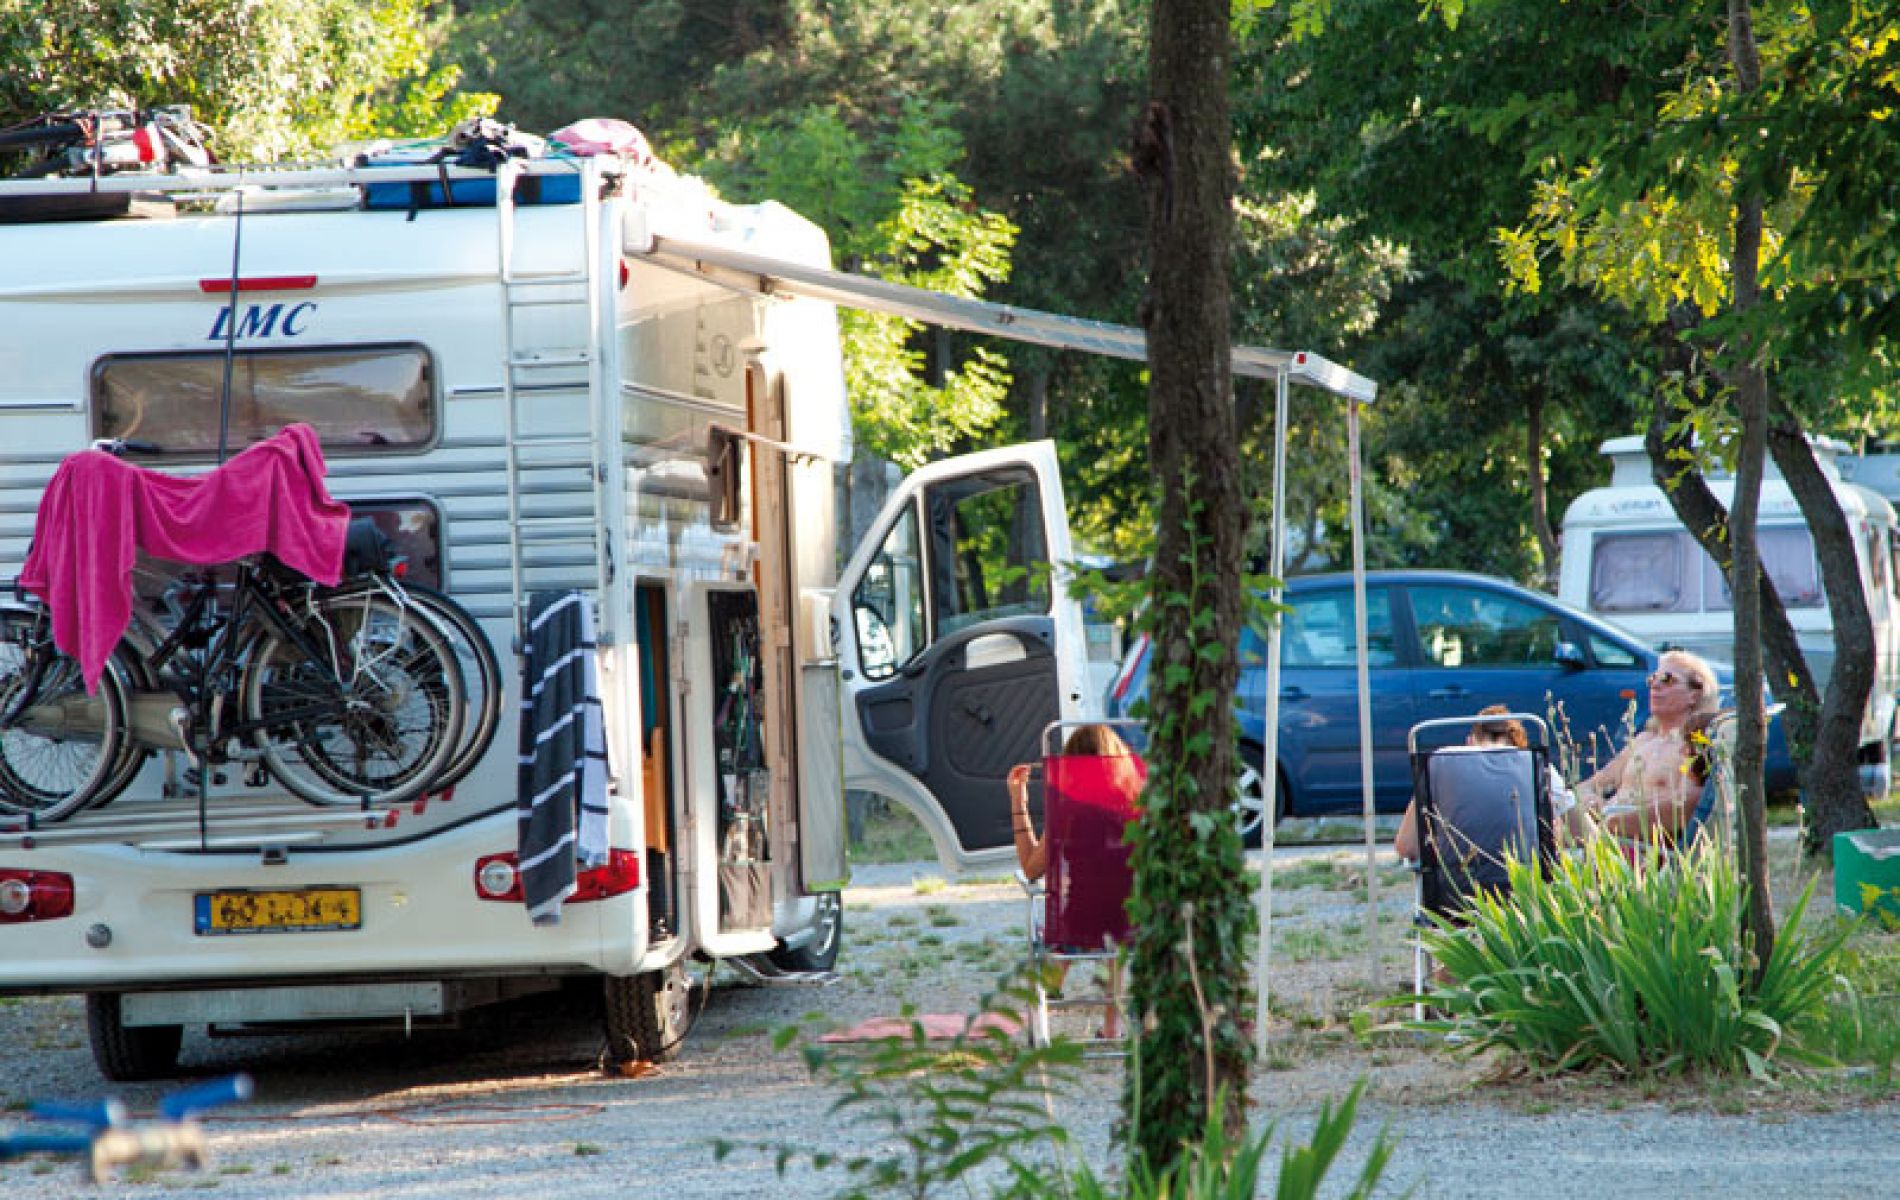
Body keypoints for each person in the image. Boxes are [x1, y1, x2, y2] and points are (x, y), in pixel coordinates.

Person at [1006, 723, 1144, 1039]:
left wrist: (1019, 801)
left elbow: (1031, 870)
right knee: (1117, 929)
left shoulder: (1067, 812)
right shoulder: (1141, 808)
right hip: (1136, 922)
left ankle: (1049, 989)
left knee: (1085, 917)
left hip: (1078, 923)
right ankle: (1112, 1027)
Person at [1393, 705, 1586, 862]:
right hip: (1526, 898)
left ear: (1469, 741)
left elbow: (1406, 846)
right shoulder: (1538, 767)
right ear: (1520, 745)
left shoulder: (1441, 764)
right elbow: (1587, 834)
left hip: (1454, 897)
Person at [1574, 649, 1720, 842]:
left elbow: (1688, 805)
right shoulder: (1643, 740)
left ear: (1695, 694)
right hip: (1606, 836)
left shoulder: (1693, 743)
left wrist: (1614, 822)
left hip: (1643, 849)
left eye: (1667, 679)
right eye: (1652, 679)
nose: (1655, 686)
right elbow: (1588, 786)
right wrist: (1593, 803)